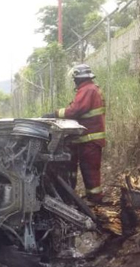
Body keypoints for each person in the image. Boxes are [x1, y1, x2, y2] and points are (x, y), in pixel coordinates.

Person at [43, 64, 106, 204]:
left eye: (74, 79)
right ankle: (86, 198)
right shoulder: (91, 88)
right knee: (86, 169)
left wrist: (54, 114)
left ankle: (95, 200)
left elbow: (75, 110)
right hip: (88, 139)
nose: (74, 82)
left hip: (90, 139)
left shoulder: (87, 90)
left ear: (78, 78)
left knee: (90, 171)